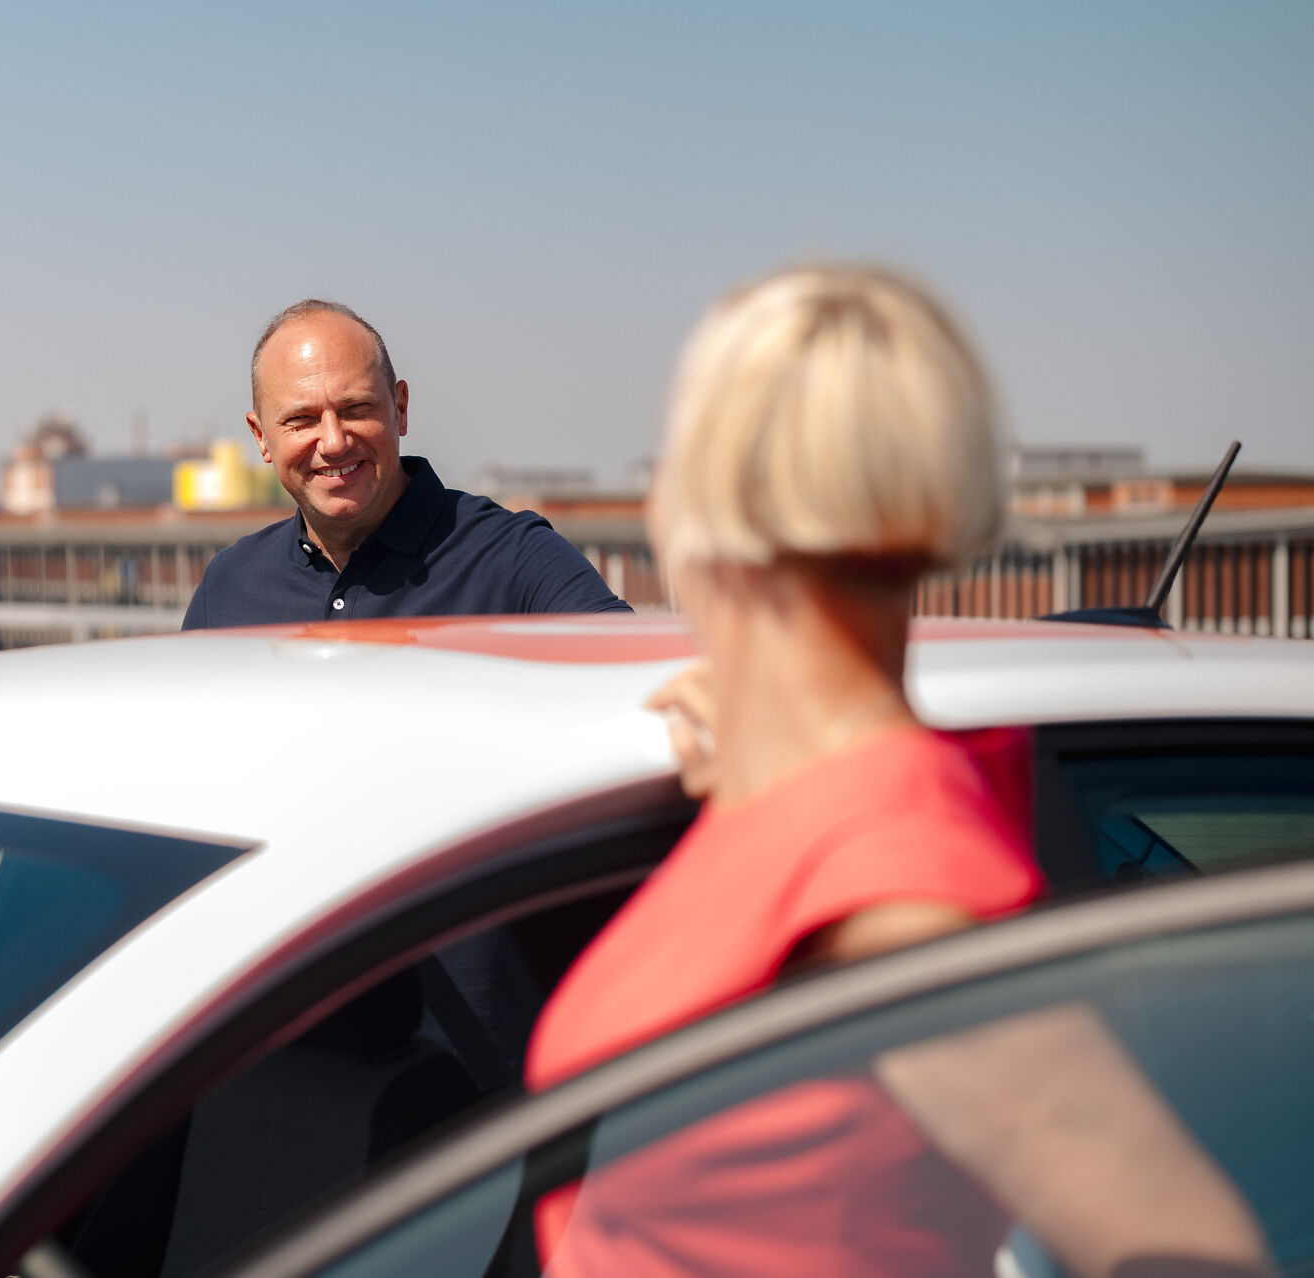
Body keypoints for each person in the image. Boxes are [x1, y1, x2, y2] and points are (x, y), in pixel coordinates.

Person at [524, 265, 1272, 1277]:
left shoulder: (896, 881)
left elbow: (1191, 1253)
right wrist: (749, 754)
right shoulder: (812, 799)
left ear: (694, 502)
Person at [180, 299, 630, 628]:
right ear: (261, 437)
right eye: (302, 420)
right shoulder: (229, 585)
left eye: (356, 409)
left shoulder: (514, 560)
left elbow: (643, 683)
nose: (334, 442)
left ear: (401, 408)